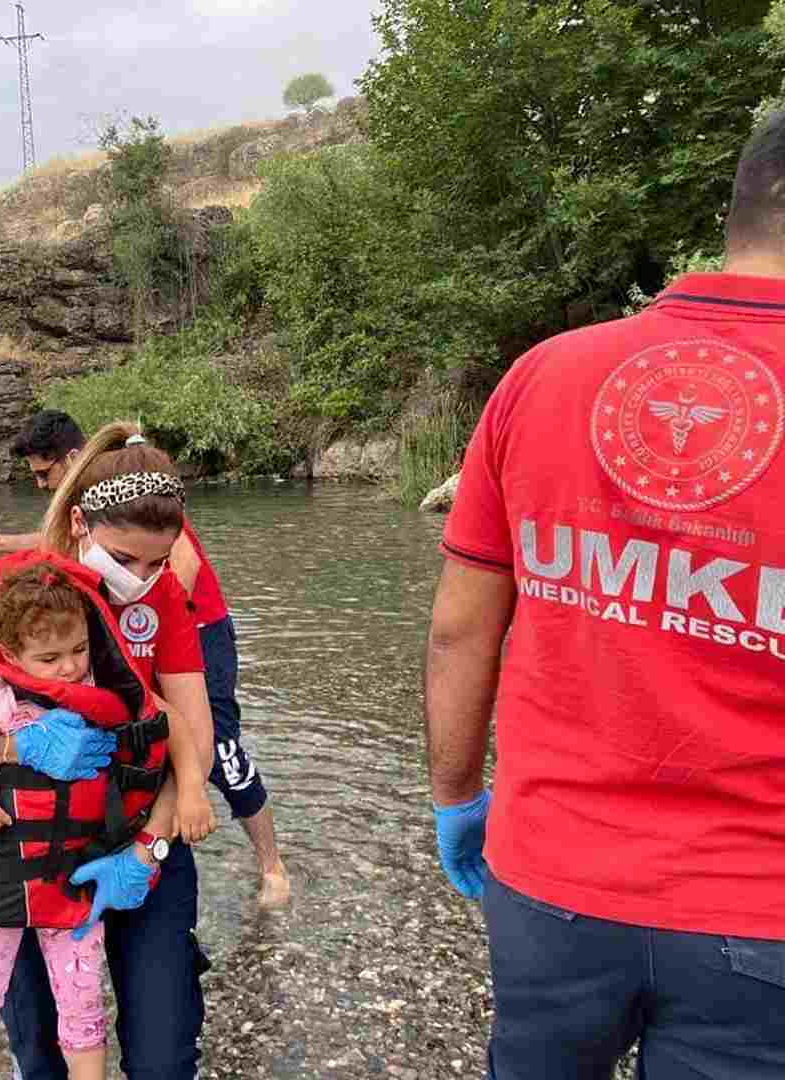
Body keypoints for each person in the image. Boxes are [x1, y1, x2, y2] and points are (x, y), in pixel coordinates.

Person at [426, 114, 785, 1079]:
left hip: (550, 879)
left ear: (738, 210)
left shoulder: (547, 372)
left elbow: (461, 632)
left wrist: (456, 797)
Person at [0, 421, 216, 1080]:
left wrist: (149, 850)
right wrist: (22, 746)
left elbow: (192, 738)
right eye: (124, 558)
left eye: (156, 562)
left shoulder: (164, 600)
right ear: (81, 523)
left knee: (165, 1052)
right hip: (29, 853)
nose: (139, 578)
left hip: (139, 834)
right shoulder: (5, 592)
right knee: (41, 1048)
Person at [0, 409, 290, 906]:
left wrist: (144, 628)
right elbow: (57, 539)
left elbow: (181, 569)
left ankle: (271, 863)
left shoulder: (148, 509)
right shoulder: (90, 523)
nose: (41, 484)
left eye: (45, 473)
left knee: (220, 750)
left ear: (73, 459)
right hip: (126, 628)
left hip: (196, 627)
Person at [0, 558, 181, 1080]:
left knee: (83, 1004)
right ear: (8, 653)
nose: (69, 668)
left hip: (74, 879)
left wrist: (148, 849)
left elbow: (167, 735)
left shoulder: (105, 690)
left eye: (79, 650)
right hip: (0, 880)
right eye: (49, 658)